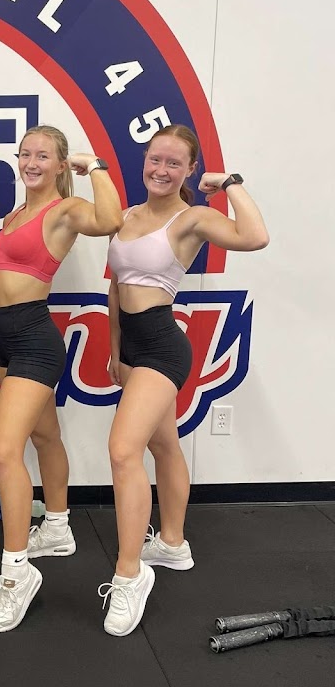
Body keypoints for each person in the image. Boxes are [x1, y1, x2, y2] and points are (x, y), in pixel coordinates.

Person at [99, 125, 269, 636]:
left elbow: (255, 237)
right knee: (164, 444)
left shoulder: (191, 218)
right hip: (131, 346)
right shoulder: (127, 216)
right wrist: (114, 350)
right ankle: (172, 543)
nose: (161, 169)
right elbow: (116, 286)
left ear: (191, 170)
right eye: (155, 159)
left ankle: (130, 575)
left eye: (174, 163)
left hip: (162, 346)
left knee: (123, 451)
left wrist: (230, 184)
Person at [0, 125, 123, 633]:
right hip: (8, 335)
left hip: (37, 341)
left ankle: (16, 575)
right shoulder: (15, 215)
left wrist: (95, 166)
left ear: (62, 165)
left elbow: (110, 219)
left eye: (43, 156)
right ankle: (59, 527)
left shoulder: (64, 211)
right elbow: (3, 283)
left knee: (3, 449)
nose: (31, 162)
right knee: (44, 436)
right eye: (26, 154)